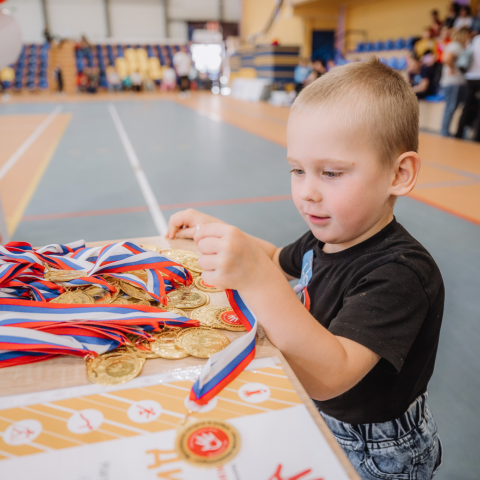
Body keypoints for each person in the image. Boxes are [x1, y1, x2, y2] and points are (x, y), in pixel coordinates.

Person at [166, 58, 443, 480]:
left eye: (331, 172)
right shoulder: (327, 237)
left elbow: (333, 376)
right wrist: (216, 231)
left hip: (377, 448)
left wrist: (257, 279)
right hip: (324, 418)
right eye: (297, 170)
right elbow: (277, 258)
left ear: (399, 173)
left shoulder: (401, 272)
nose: (307, 192)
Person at [440, 27, 469, 136]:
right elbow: (446, 59)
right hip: (454, 82)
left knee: (454, 107)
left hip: (457, 82)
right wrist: (452, 69)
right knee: (451, 107)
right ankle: (444, 132)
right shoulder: (455, 46)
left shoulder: (456, 46)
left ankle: (447, 131)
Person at [455, 34, 480, 141]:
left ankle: (459, 133)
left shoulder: (474, 40)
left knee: (467, 107)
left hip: (470, 78)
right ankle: (477, 137)